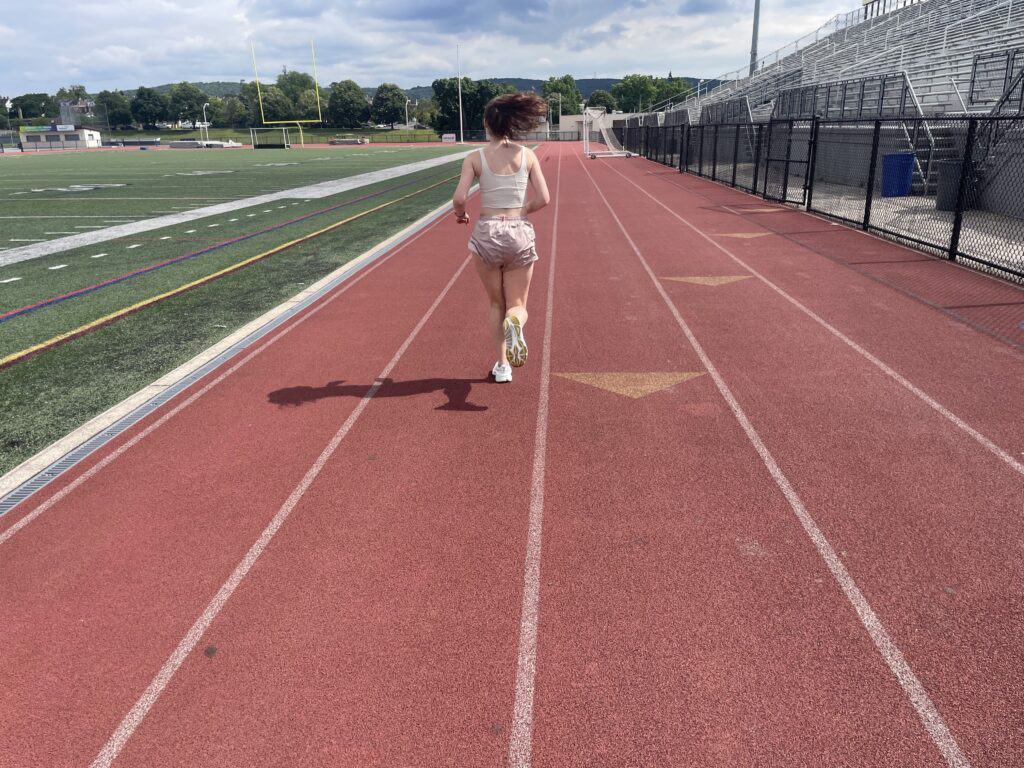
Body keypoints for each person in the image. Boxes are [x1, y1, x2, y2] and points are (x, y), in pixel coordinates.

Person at [453, 92, 551, 384]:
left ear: (487, 124)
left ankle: (502, 365)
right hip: (518, 231)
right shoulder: (527, 155)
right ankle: (516, 322)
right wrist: (523, 210)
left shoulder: (475, 158)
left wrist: (461, 215)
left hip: (487, 232)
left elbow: (459, 198)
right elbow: (544, 198)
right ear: (511, 123)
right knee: (517, 304)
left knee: (496, 303)